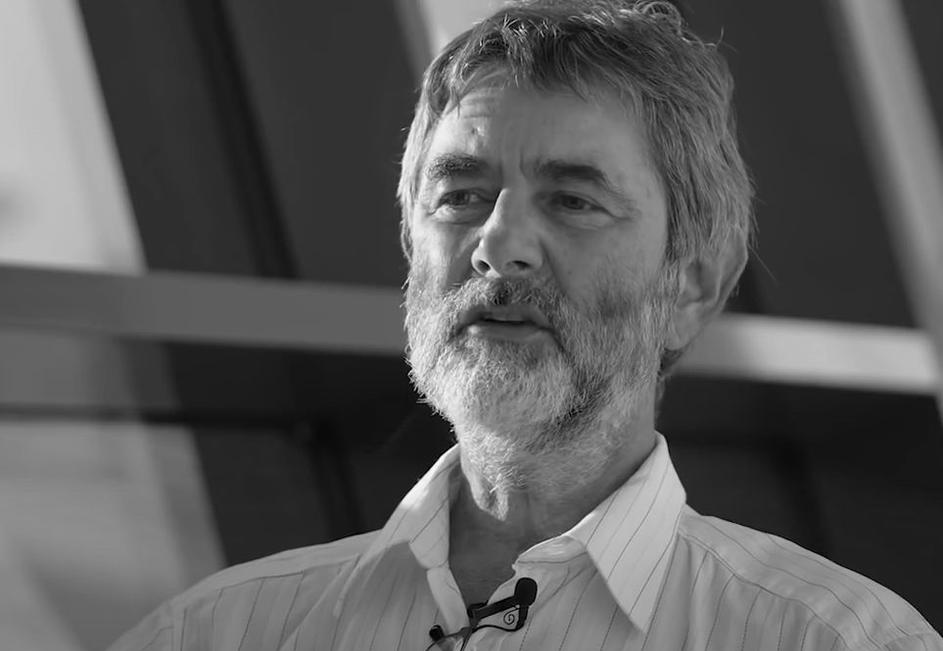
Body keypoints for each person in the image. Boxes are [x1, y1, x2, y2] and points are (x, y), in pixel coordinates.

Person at [110, 1, 942, 649]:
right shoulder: (214, 633)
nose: (498, 245)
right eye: (460, 196)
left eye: (572, 200)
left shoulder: (835, 639)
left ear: (691, 284)